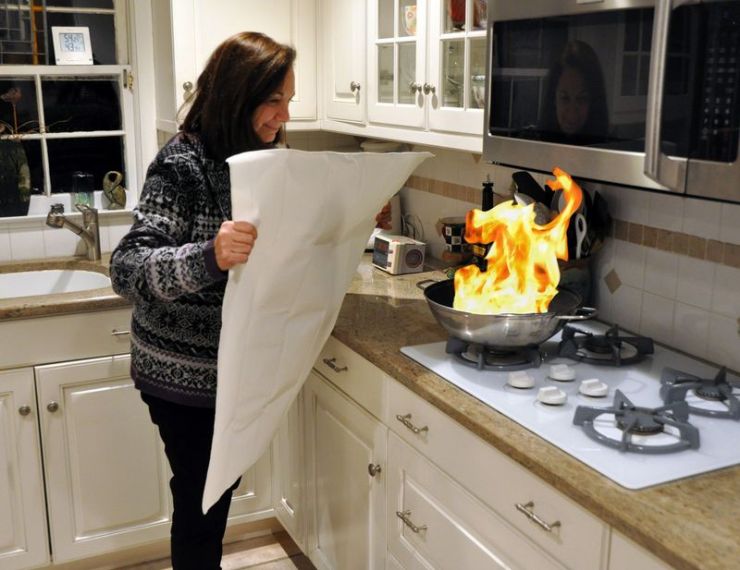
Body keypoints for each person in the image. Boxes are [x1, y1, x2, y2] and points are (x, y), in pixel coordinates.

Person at [109, 32, 296, 570]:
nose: (283, 116)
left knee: (215, 491)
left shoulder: (263, 160)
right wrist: (210, 255)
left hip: (233, 368)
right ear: (238, 95)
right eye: (273, 100)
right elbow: (127, 267)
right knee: (201, 499)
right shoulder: (181, 165)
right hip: (179, 372)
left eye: (289, 100)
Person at [539, 40, 609, 145]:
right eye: (564, 98)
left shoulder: (608, 147)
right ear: (553, 98)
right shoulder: (536, 143)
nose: (572, 115)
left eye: (582, 99)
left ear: (594, 101)